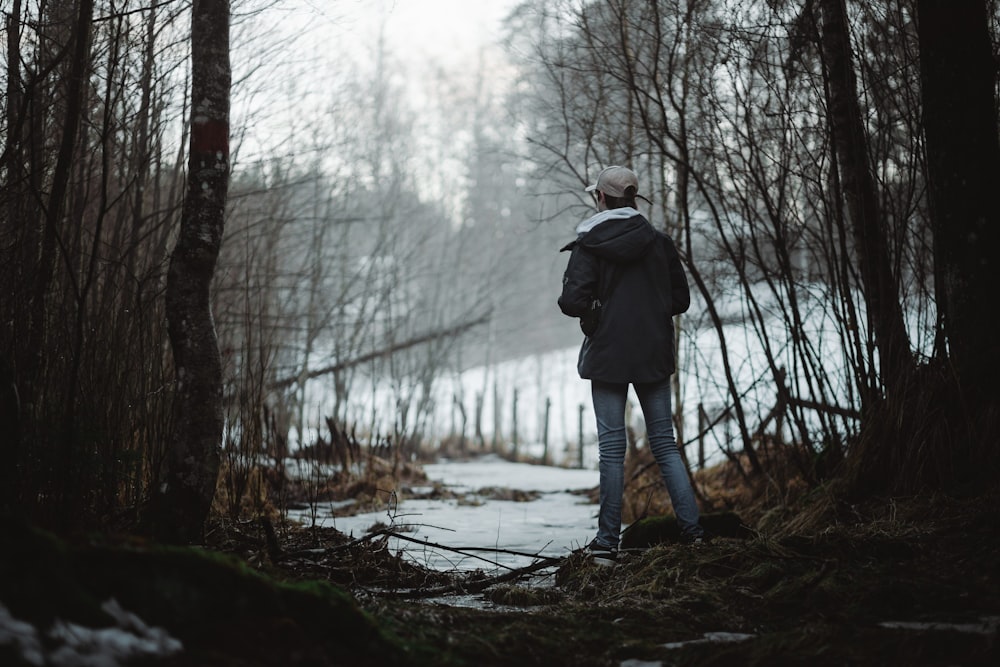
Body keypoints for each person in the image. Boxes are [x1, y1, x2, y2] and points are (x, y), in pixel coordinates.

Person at [558, 165, 704, 566]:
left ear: (601, 198)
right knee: (664, 445)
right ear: (633, 199)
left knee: (611, 450)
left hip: (607, 355)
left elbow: (571, 302)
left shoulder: (589, 244)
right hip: (653, 353)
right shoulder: (660, 243)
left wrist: (599, 310)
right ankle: (694, 537)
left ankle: (606, 545)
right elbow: (680, 301)